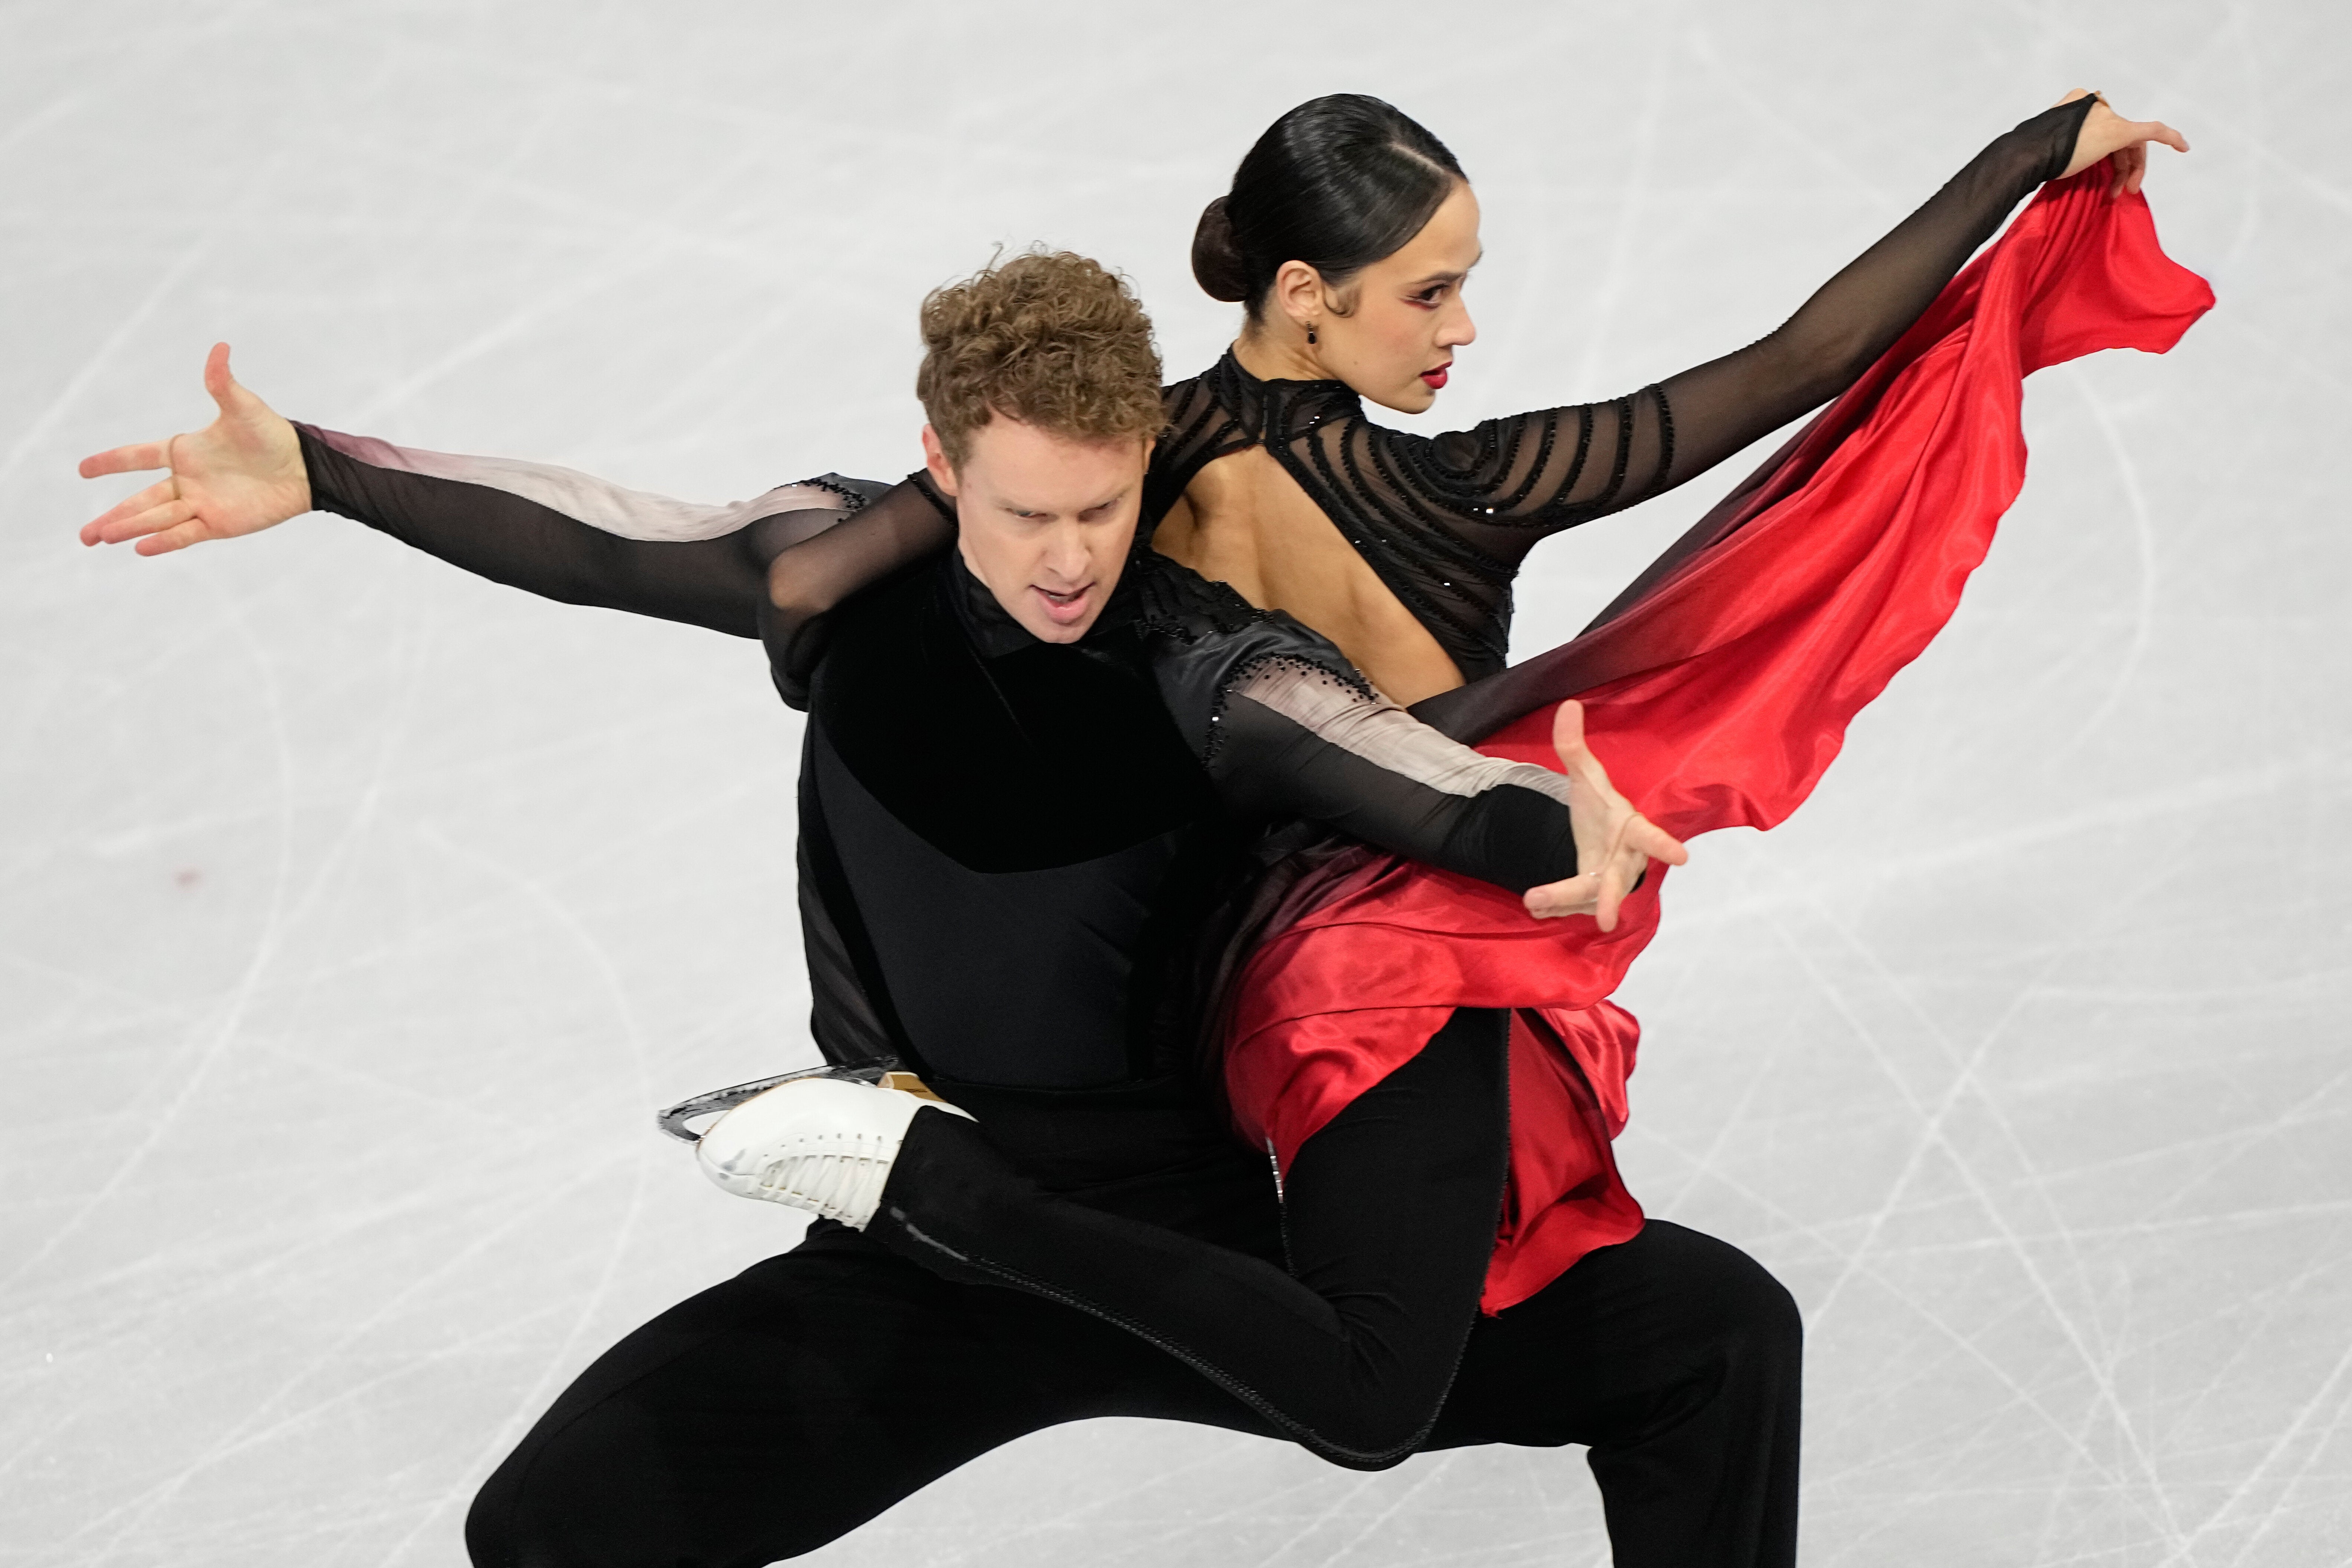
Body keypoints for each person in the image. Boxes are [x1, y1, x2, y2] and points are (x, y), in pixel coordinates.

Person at [75, 87, 2198, 1568]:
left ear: (1140, 470)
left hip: (1195, 1241)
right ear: (936, 462)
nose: (1074, 556)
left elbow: (1377, 754)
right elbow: (621, 530)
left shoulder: (1209, 660)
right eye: (1026, 511)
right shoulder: (842, 573)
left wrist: (1549, 829)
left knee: (1707, 1339)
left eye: (1104, 508)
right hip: (942, 1240)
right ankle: (940, 1198)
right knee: (550, 1531)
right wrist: (333, 472)